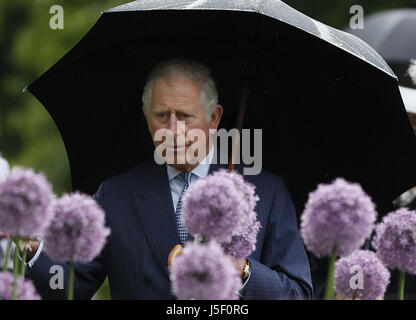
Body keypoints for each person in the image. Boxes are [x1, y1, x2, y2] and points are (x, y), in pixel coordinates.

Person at [21, 58, 313, 299]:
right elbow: (67, 285)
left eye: (185, 116)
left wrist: (243, 271)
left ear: (214, 119)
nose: (173, 131)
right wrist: (30, 249)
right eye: (162, 115)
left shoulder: (268, 192)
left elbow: (299, 294)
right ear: (147, 118)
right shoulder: (114, 195)